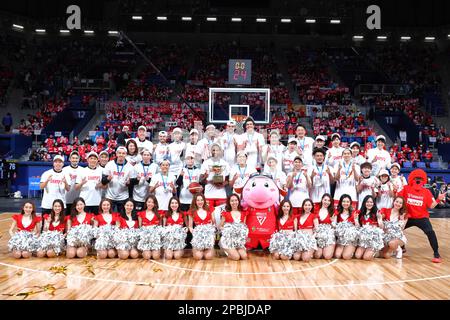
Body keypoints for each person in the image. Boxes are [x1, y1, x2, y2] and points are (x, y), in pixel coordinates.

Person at [397, 169, 445, 263]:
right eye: (416, 178)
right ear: (412, 179)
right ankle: (402, 247)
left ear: (423, 180)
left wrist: (438, 199)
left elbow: (431, 206)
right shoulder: (406, 188)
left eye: (420, 179)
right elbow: (398, 198)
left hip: (422, 217)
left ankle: (436, 253)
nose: (418, 181)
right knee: (397, 230)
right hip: (408, 217)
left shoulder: (426, 192)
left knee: (430, 232)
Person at [102, 146, 135, 213]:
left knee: (122, 217)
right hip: (110, 196)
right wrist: (108, 179)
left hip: (123, 197)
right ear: (116, 154)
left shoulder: (130, 167)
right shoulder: (109, 164)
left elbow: (132, 183)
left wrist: (129, 183)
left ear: (126, 154)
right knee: (110, 217)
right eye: (119, 153)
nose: (121, 155)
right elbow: (103, 181)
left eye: (123, 153)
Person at [200, 143, 230, 213]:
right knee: (209, 215)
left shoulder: (225, 163)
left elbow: (228, 180)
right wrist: (210, 180)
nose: (215, 152)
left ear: (220, 151)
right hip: (208, 194)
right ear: (210, 151)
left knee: (221, 215)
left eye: (217, 150)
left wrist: (222, 184)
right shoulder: (205, 163)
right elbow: (201, 180)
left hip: (221, 195)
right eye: (213, 150)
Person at [219, 194, 248, 261]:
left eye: (236, 200)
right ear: (229, 202)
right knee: (236, 257)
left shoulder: (243, 213)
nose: (234, 202)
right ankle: (227, 251)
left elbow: (244, 226)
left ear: (238, 201)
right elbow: (220, 226)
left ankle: (235, 250)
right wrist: (227, 230)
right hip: (228, 241)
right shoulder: (226, 213)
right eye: (232, 201)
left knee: (244, 256)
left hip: (238, 241)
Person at [354, 195, 383, 261]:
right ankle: (366, 250)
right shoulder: (360, 212)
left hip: (373, 240)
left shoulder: (377, 212)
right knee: (357, 256)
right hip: (364, 239)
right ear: (364, 203)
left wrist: (380, 220)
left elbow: (381, 228)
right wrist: (356, 220)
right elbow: (358, 228)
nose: (369, 204)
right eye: (367, 202)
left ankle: (376, 252)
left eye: (371, 202)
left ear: (374, 203)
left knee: (366, 257)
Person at [188, 193, 216, 260]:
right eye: (198, 200)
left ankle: (208, 250)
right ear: (195, 201)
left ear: (204, 200)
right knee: (198, 257)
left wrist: (212, 234)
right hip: (198, 238)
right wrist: (195, 233)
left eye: (201, 200)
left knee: (208, 257)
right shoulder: (191, 211)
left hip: (208, 237)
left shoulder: (210, 208)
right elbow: (190, 226)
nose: (200, 202)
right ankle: (197, 250)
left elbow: (213, 223)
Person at [334, 194, 359, 260]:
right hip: (341, 239)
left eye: (347, 202)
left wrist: (356, 220)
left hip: (351, 240)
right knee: (337, 255)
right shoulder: (337, 212)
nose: (345, 203)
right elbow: (335, 226)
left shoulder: (354, 213)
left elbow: (358, 227)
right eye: (344, 201)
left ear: (350, 203)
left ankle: (353, 249)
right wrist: (332, 222)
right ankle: (345, 248)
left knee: (346, 256)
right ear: (341, 202)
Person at [137, 195, 162, 260]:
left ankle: (157, 251)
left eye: (152, 202)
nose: (150, 204)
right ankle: (143, 251)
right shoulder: (141, 214)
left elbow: (160, 228)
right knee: (147, 257)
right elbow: (140, 228)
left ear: (155, 204)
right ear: (146, 203)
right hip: (146, 241)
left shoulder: (159, 214)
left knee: (156, 257)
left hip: (155, 241)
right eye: (149, 202)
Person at [313, 194, 336, 260]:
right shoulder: (316, 210)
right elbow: (315, 225)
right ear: (322, 200)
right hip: (319, 235)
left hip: (329, 236)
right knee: (317, 255)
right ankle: (322, 249)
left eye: (329, 200)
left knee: (327, 256)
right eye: (325, 200)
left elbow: (334, 227)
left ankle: (331, 248)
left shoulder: (333, 211)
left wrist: (332, 222)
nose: (326, 202)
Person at [62, 151, 83, 216]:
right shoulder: (64, 170)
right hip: (67, 199)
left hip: (78, 200)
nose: (75, 160)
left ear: (79, 159)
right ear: (70, 159)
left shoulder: (83, 170)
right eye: (73, 158)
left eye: (76, 158)